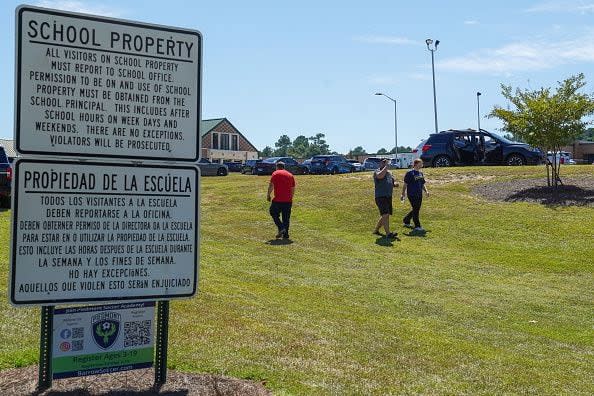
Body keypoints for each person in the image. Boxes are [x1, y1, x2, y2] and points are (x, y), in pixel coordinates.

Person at [267, 161, 295, 239]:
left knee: (273, 213)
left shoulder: (275, 173)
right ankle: (285, 235)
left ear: (277, 167)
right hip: (288, 200)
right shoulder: (290, 175)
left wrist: (268, 195)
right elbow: (293, 188)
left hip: (278, 200)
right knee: (286, 217)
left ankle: (281, 227)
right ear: (284, 167)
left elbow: (271, 185)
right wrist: (291, 198)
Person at [401, 158, 429, 232]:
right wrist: (403, 193)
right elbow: (405, 184)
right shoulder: (409, 173)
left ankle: (406, 220)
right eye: (420, 163)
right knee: (416, 209)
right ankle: (417, 226)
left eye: (422, 163)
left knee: (416, 209)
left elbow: (422, 184)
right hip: (412, 194)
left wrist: (426, 191)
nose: (422, 165)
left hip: (419, 194)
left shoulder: (420, 173)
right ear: (416, 164)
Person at [373, 158, 398, 238]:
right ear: (380, 163)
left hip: (388, 196)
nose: (385, 163)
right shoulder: (377, 171)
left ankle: (376, 230)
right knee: (385, 214)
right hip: (380, 196)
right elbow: (380, 176)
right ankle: (388, 233)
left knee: (385, 215)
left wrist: (395, 184)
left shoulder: (390, 173)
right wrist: (386, 167)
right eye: (383, 162)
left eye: (386, 162)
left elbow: (391, 182)